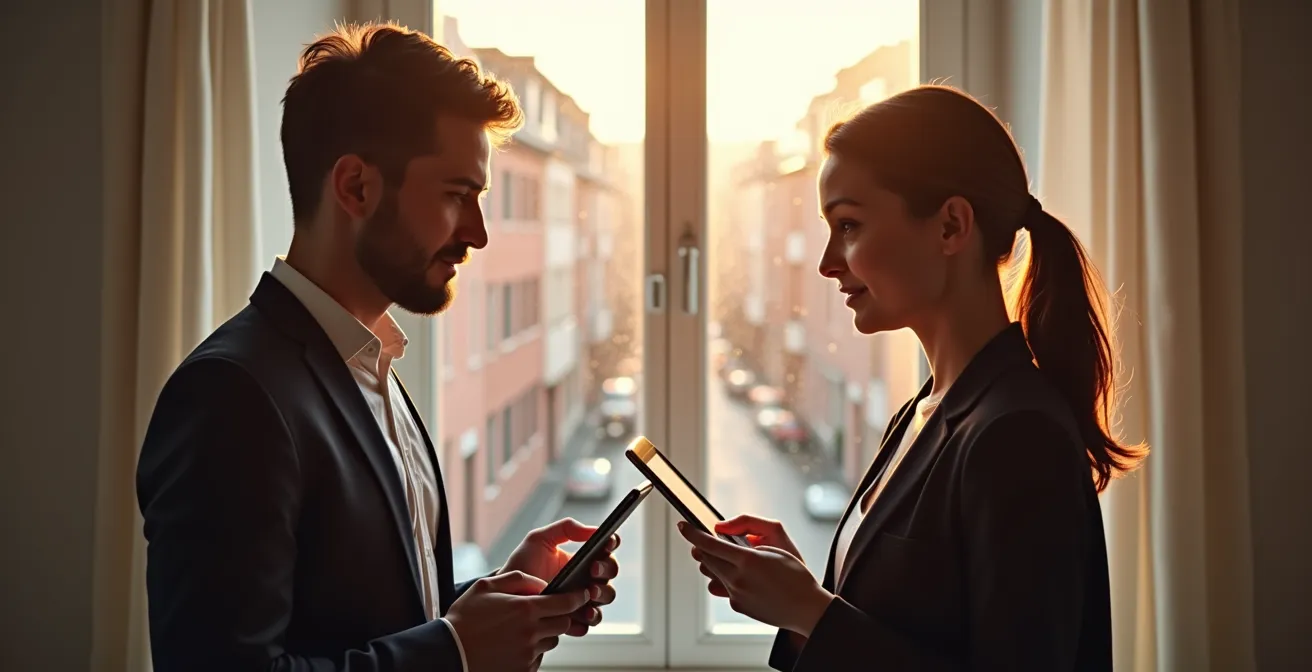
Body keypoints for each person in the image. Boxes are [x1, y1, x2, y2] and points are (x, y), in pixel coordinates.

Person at [136, 23, 619, 672]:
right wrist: (456, 651)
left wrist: (496, 601)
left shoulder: (370, 367)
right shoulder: (230, 397)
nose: (477, 233)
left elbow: (369, 621)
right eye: (457, 195)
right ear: (356, 187)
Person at [679, 85, 1147, 671]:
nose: (828, 261)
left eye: (848, 225)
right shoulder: (925, 410)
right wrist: (802, 596)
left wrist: (811, 612)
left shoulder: (1018, 433)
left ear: (951, 226)